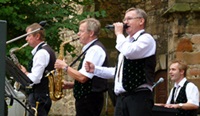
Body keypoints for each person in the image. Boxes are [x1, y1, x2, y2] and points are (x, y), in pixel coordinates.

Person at [85, 7, 156, 116]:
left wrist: (119, 34)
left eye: (129, 19)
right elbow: (119, 72)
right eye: (124, 19)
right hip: (122, 98)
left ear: (141, 21)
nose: (125, 22)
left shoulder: (146, 39)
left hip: (139, 97)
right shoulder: (125, 42)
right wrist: (96, 69)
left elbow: (129, 52)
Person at [54, 18, 109, 116]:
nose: (78, 34)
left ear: (91, 33)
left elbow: (83, 78)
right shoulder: (91, 49)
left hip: (89, 100)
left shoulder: (95, 50)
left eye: (81, 31)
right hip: (87, 100)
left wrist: (65, 67)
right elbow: (90, 80)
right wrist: (72, 84)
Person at [21, 23, 56, 116]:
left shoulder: (41, 53)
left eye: (28, 35)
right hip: (43, 96)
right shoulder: (47, 50)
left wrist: (25, 72)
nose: (26, 39)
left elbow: (36, 78)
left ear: (37, 36)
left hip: (39, 97)